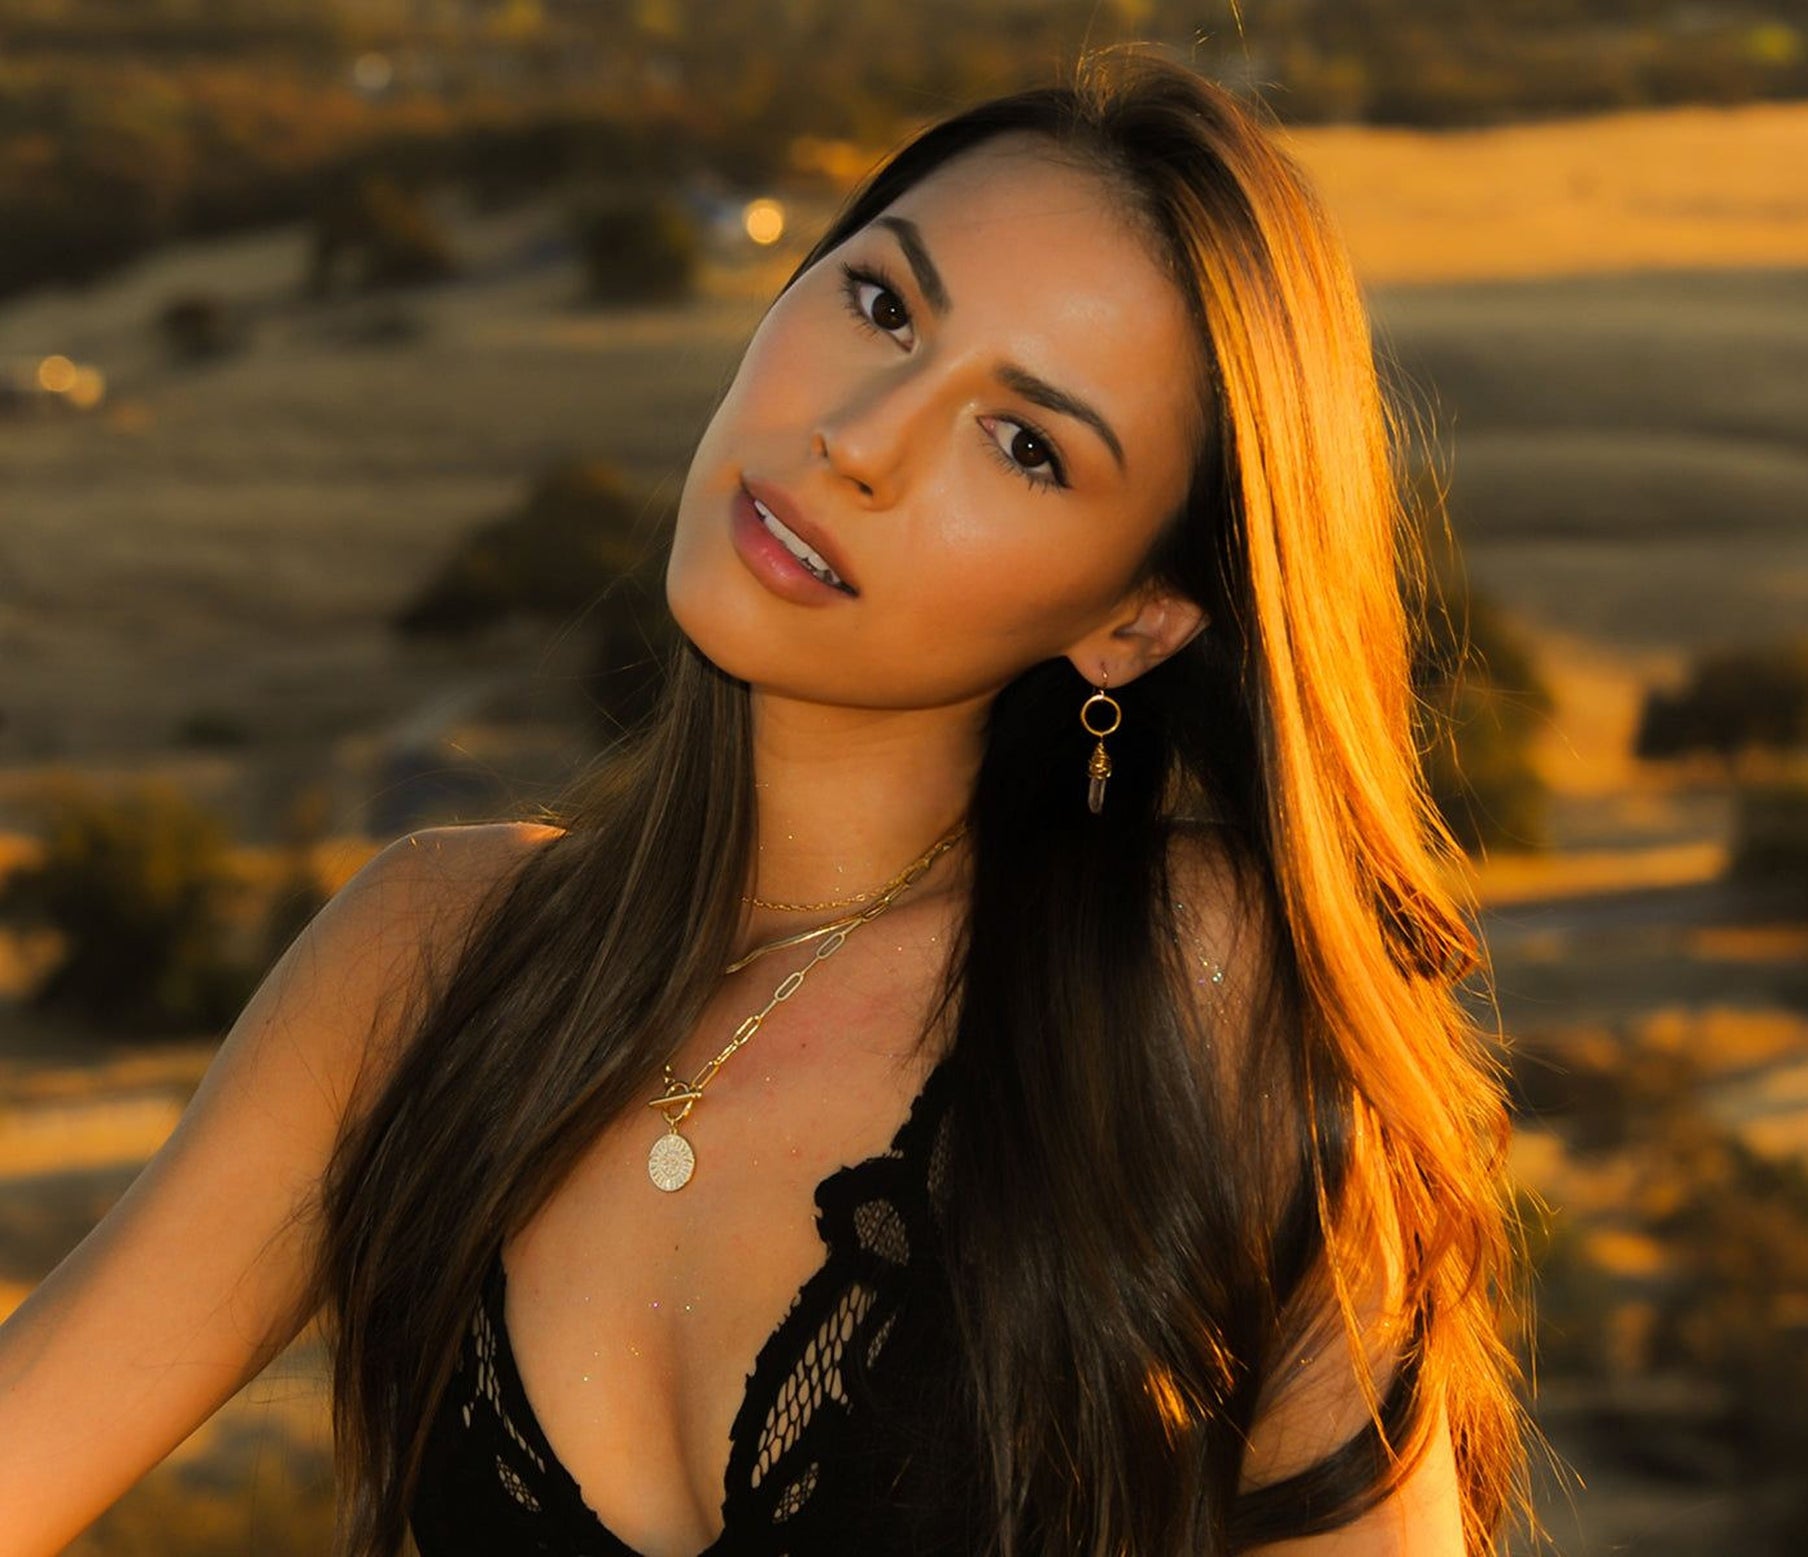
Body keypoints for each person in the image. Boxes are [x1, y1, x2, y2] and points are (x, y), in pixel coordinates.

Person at [0, 45, 1535, 1557]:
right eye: (881, 304)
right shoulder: (420, 965)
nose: (855, 443)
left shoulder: (1195, 983)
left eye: (1024, 445)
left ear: (1135, 619)